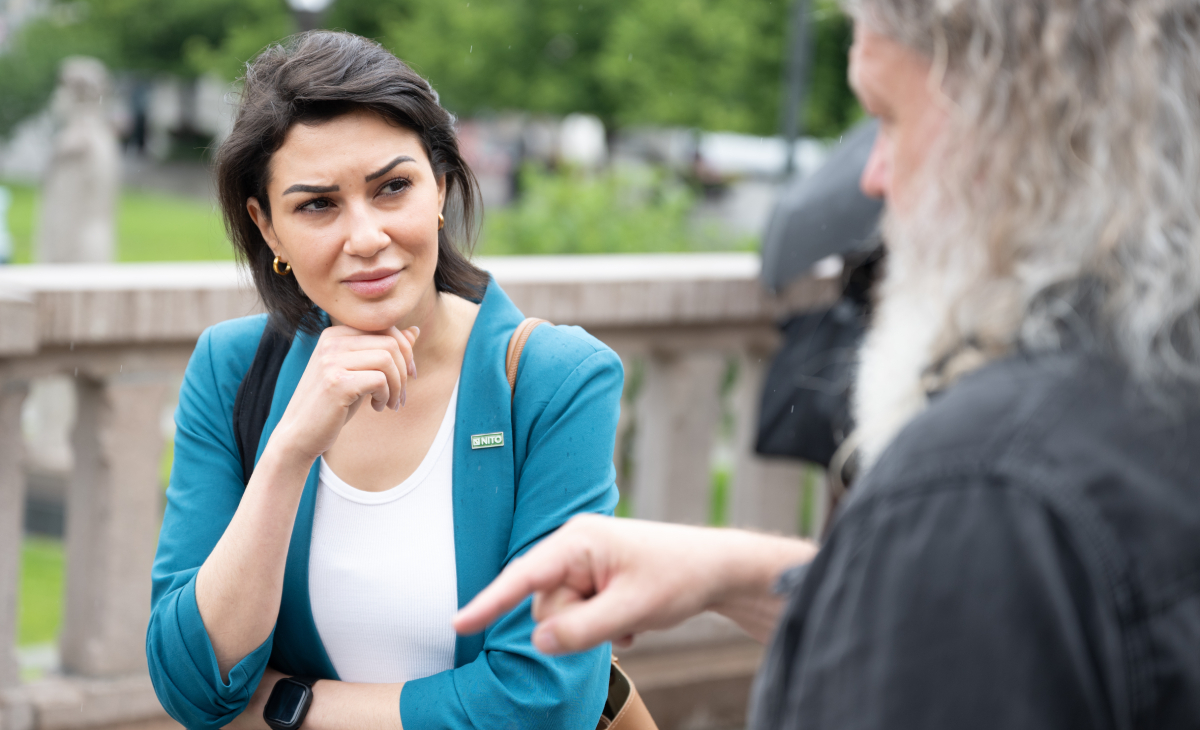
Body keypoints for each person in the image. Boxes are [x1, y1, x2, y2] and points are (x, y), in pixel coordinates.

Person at [455, 1, 1200, 727]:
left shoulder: (985, 485)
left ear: (1032, 129)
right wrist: (740, 576)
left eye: (888, 118)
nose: (873, 176)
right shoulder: (1154, 383)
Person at [146, 32, 623, 730]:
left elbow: (543, 703)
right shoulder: (232, 369)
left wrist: (292, 707)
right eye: (317, 205)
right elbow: (191, 686)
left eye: (391, 187)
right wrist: (287, 455)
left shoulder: (553, 381)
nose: (365, 236)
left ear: (441, 187)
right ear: (267, 227)